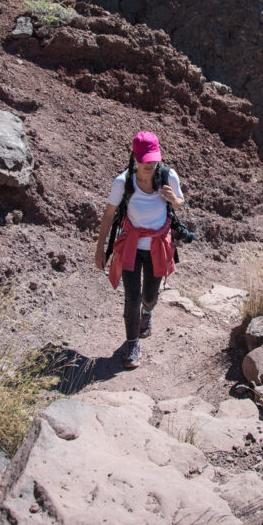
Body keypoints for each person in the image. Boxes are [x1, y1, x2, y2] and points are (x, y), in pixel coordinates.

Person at [95, 131, 184, 369]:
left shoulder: (168, 176)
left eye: (153, 159)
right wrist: (100, 248)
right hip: (132, 246)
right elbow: (108, 215)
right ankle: (132, 343)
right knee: (132, 298)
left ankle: (148, 312)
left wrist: (174, 200)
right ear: (135, 158)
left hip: (158, 245)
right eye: (145, 160)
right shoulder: (123, 182)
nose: (150, 164)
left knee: (149, 296)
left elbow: (180, 203)